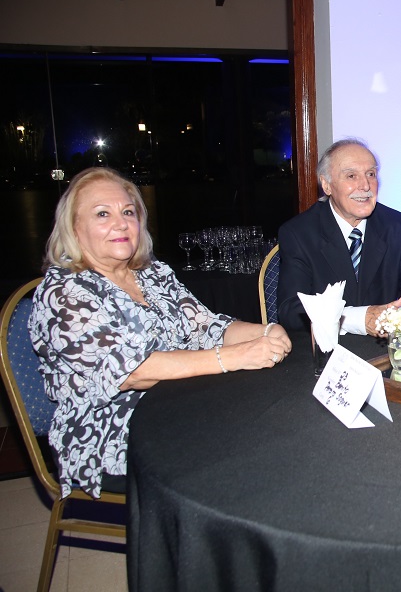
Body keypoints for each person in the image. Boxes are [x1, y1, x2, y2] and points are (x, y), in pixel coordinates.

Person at [29, 167, 292, 498]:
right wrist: (237, 356)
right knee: (244, 450)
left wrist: (265, 330)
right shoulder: (63, 292)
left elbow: (206, 326)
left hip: (180, 407)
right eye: (102, 214)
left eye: (128, 212)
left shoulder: (152, 273)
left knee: (273, 422)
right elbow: (132, 372)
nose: (121, 223)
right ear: (74, 228)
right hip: (112, 435)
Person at [277, 138, 401, 335]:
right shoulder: (299, 233)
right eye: (351, 176)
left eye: (371, 174)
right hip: (330, 347)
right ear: (326, 185)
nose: (365, 185)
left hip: (385, 346)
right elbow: (291, 311)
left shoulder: (398, 226)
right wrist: (358, 319)